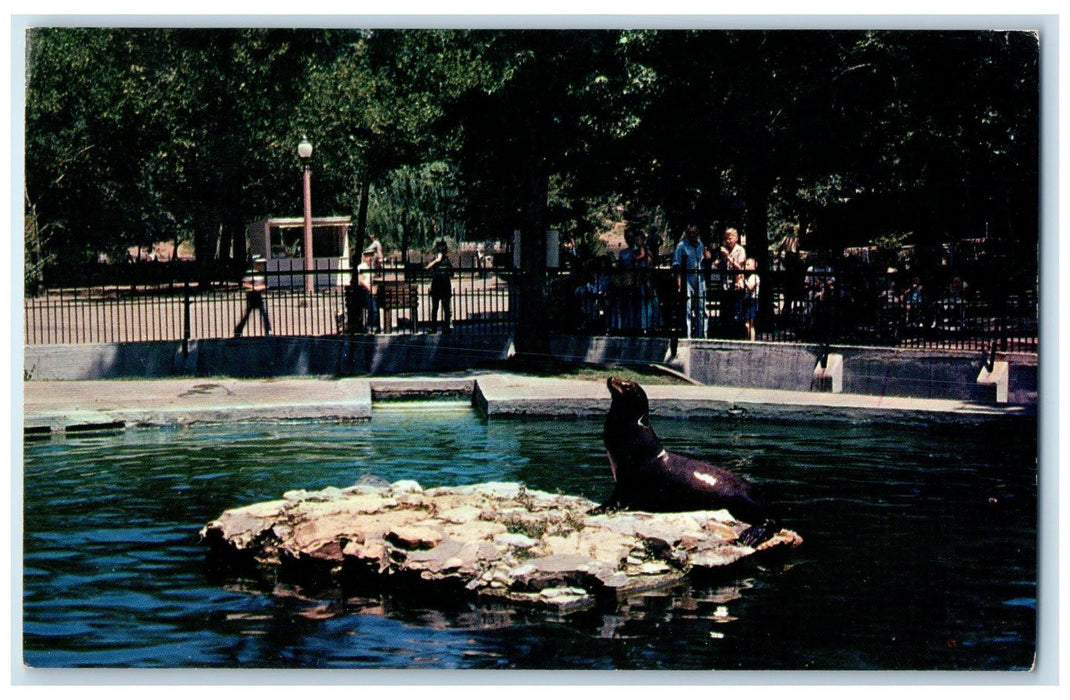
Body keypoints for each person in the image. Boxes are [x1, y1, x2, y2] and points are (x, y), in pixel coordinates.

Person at [672, 224, 710, 338]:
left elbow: (704, 261)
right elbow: (676, 265)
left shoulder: (700, 245)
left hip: (699, 276)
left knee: (701, 307)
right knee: (687, 307)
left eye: (695, 234)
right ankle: (687, 335)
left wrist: (708, 258)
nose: (693, 236)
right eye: (690, 234)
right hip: (687, 277)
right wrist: (679, 282)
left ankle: (702, 335)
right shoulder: (681, 246)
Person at [234, 255, 270, 337]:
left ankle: (268, 330)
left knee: (263, 313)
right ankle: (238, 329)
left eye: (261, 264)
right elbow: (244, 284)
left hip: (258, 295)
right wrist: (254, 287)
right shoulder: (251, 273)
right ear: (254, 264)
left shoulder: (260, 274)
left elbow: (263, 284)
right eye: (259, 264)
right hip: (251, 296)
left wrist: (262, 287)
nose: (261, 265)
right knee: (248, 314)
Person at [719, 227, 747, 330]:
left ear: (736, 238)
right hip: (725, 285)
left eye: (730, 238)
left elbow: (740, 268)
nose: (728, 241)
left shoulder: (740, 250)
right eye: (726, 238)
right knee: (726, 314)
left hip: (736, 285)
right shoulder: (723, 250)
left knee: (737, 313)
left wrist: (728, 257)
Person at [425, 239, 453, 332]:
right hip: (438, 285)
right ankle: (436, 327)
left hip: (443, 285)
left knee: (445, 307)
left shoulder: (447, 261)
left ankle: (445, 326)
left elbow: (451, 273)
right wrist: (436, 261)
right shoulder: (436, 260)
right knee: (436, 307)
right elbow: (427, 268)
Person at [356, 249, 379, 332]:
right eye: (368, 256)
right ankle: (370, 326)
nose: (370, 258)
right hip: (365, 291)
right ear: (364, 257)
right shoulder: (361, 267)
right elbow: (360, 280)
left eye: (371, 256)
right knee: (373, 310)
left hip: (369, 290)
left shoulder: (370, 267)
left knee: (373, 310)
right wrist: (369, 288)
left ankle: (371, 326)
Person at [741, 257, 760, 341]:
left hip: (752, 300)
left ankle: (752, 340)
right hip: (748, 300)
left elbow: (750, 287)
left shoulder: (754, 277)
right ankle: (748, 338)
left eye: (748, 264)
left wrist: (744, 280)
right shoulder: (749, 277)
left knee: (750, 324)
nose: (746, 266)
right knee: (747, 323)